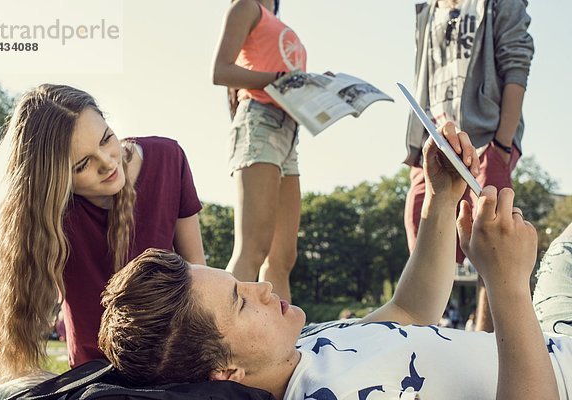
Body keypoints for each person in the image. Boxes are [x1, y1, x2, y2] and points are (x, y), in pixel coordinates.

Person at [99, 124, 571, 398]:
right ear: (227, 373)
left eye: (240, 283)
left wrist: (441, 198)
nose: (263, 289)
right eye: (242, 303)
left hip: (556, 339)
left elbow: (409, 313)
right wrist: (507, 283)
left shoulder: (302, 345)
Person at [0, 84, 205, 391]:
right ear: (56, 180)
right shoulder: (46, 212)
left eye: (106, 138)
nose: (108, 163)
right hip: (93, 380)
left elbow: (198, 274)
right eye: (83, 165)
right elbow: (9, 322)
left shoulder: (168, 158)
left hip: (171, 367)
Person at [403, 0, 534, 332]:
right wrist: (416, 145)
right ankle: (424, 345)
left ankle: (487, 350)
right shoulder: (427, 9)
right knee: (422, 239)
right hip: (434, 139)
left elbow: (517, 66)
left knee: (490, 237)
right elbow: (424, 73)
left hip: (485, 137)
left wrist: (502, 144)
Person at [211, 0, 307, 301]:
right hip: (259, 122)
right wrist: (276, 80)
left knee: (283, 257)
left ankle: (278, 342)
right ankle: (218, 340)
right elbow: (220, 71)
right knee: (253, 248)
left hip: (288, 130)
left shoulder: (273, 19)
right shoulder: (245, 7)